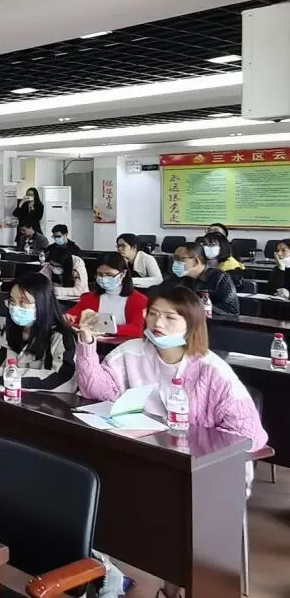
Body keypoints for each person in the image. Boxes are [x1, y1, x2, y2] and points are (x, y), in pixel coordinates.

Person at [74, 285, 267, 598]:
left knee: (175, 510)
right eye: (152, 314)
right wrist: (86, 342)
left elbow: (251, 436)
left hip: (205, 472)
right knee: (91, 483)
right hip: (146, 457)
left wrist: (194, 442)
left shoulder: (212, 370)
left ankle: (174, 586)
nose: (157, 323)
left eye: (170, 317)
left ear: (191, 325)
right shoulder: (131, 352)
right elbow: (96, 389)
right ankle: (105, 571)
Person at [0, 273, 77, 392]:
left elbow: (64, 380)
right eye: (12, 301)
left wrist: (5, 377)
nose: (15, 307)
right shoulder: (4, 334)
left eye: (22, 302)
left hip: (42, 402)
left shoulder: (62, 338)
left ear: (43, 303)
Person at [64, 254, 148, 339]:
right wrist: (68, 318)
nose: (104, 278)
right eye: (100, 274)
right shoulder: (89, 298)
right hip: (92, 343)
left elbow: (139, 329)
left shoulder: (139, 300)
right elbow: (73, 315)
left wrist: (107, 329)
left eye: (109, 274)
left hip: (124, 344)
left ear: (123, 273)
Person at [166, 242, 239, 316]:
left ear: (196, 261)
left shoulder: (220, 278)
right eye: (174, 258)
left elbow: (232, 310)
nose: (175, 262)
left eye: (179, 259)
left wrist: (200, 306)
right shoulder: (176, 277)